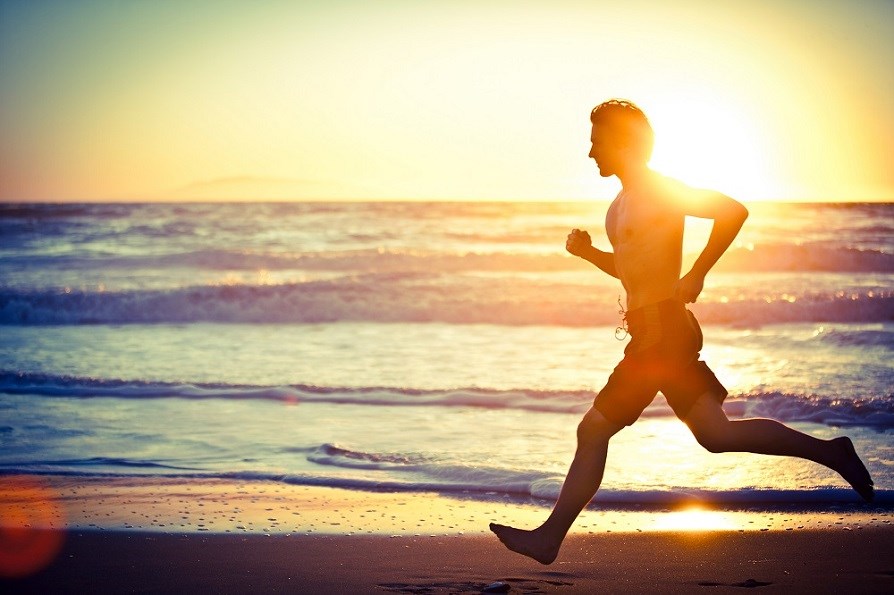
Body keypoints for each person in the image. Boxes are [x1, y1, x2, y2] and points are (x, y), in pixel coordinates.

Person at [489, 99, 875, 565]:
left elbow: (733, 211)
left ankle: (550, 537)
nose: (590, 153)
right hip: (657, 331)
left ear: (622, 141)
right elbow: (633, 274)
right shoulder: (619, 206)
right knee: (715, 434)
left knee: (593, 429)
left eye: (596, 142)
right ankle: (832, 452)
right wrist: (590, 254)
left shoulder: (660, 190)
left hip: (662, 335)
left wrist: (698, 272)